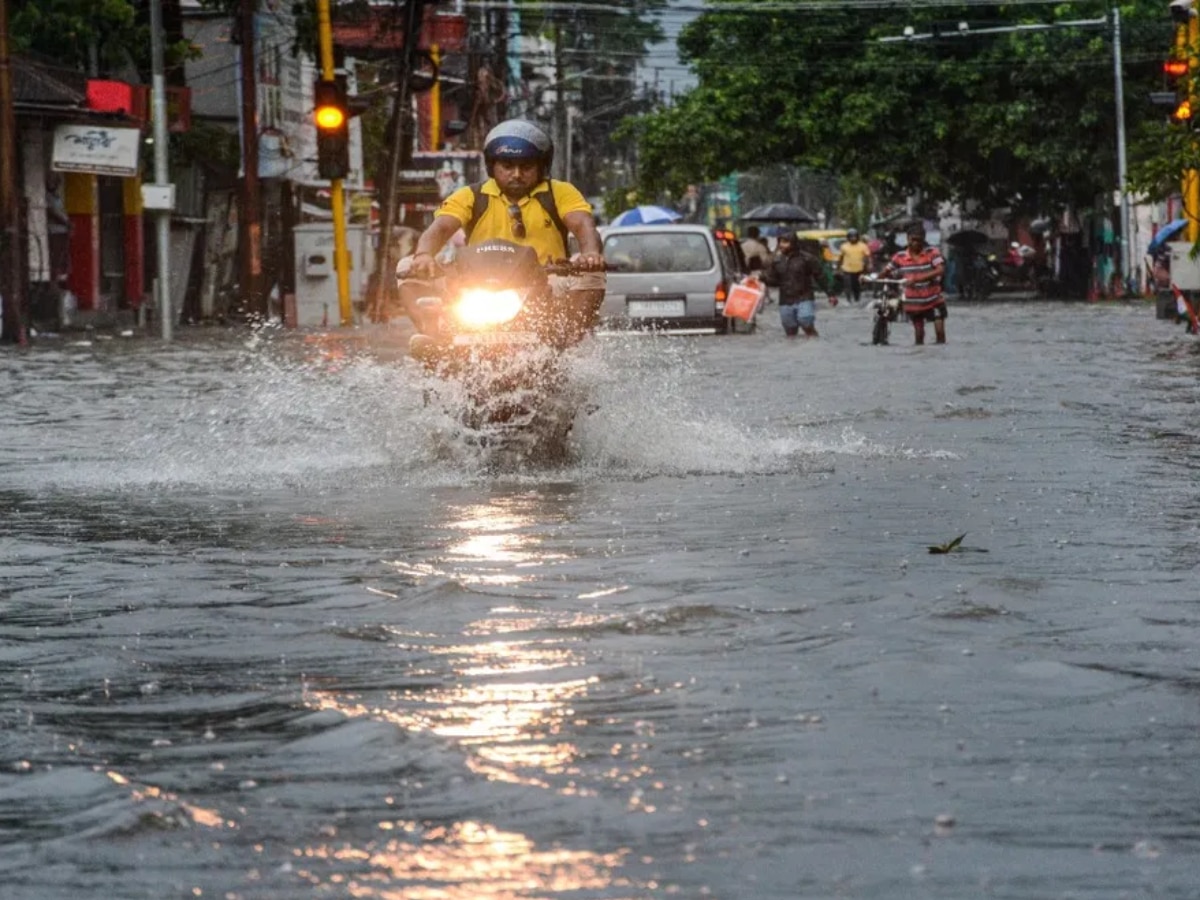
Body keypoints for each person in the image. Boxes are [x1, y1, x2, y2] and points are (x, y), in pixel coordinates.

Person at [403, 119, 606, 342]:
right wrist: (423, 255)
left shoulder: (560, 192)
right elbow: (440, 228)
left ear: (541, 167)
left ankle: (565, 341)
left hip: (548, 281)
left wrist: (590, 254)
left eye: (526, 167)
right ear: (492, 167)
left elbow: (582, 224)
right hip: (477, 285)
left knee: (592, 274)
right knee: (406, 265)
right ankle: (434, 336)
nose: (516, 174)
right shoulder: (470, 195)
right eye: (507, 166)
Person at [878, 223, 947, 345]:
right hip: (914, 302)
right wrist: (869, 278)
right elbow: (886, 271)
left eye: (919, 240)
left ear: (924, 239)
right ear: (907, 239)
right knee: (919, 334)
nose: (916, 243)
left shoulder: (932, 253)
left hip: (934, 299)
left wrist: (918, 279)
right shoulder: (899, 257)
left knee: (940, 333)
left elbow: (940, 269)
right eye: (913, 240)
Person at [759, 232, 836, 338]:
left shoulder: (807, 259)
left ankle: (813, 343)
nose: (781, 245)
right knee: (790, 332)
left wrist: (830, 294)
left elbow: (820, 277)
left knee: (806, 322)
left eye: (785, 242)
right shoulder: (777, 261)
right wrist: (763, 278)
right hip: (785, 300)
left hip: (804, 298)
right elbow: (774, 281)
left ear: (794, 243)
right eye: (780, 242)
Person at [836, 227, 872, 303]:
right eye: (851, 236)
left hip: (858, 269)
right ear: (848, 237)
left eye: (854, 236)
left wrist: (869, 264)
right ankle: (848, 299)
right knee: (847, 285)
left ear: (857, 237)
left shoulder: (863, 246)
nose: (853, 238)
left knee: (856, 286)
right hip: (847, 269)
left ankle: (857, 298)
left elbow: (868, 256)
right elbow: (840, 258)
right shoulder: (844, 246)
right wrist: (838, 268)